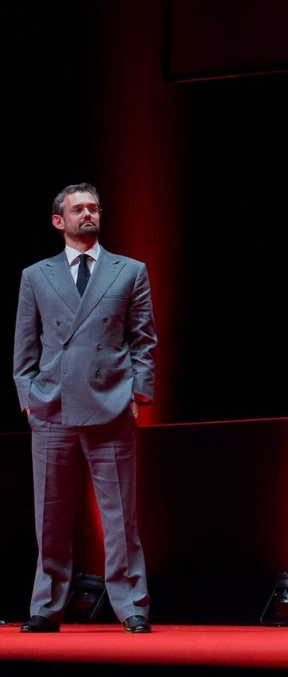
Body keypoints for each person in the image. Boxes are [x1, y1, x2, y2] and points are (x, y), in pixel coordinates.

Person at [13, 183, 156, 634]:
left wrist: (137, 393)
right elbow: (24, 347)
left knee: (120, 518)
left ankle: (131, 605)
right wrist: (28, 400)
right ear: (60, 221)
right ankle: (46, 606)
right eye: (78, 209)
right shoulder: (36, 275)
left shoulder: (129, 270)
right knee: (50, 516)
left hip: (109, 404)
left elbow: (144, 339)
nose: (88, 214)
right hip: (52, 406)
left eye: (93, 207)